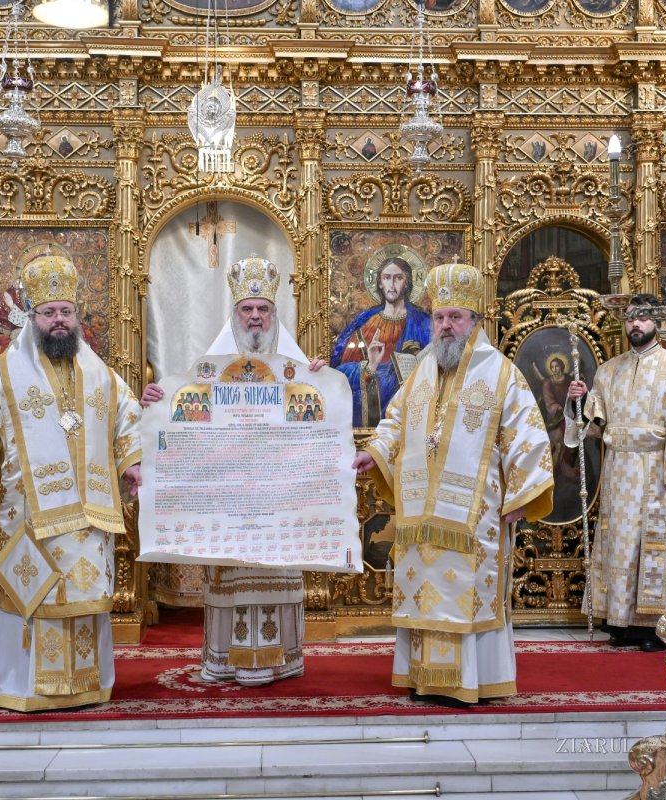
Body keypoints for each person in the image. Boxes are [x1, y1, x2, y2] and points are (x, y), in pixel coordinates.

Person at [0, 252, 161, 711]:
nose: (59, 320)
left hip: (88, 518)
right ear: (31, 318)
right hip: (25, 519)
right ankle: (22, 688)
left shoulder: (102, 375)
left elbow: (128, 423)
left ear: (77, 316)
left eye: (66, 312)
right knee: (29, 600)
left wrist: (133, 462)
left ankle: (84, 687)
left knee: (81, 602)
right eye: (50, 312)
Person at [353, 262, 554, 707]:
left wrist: (523, 493)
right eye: (440, 317)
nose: (445, 326)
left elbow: (529, 435)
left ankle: (471, 682)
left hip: (475, 518)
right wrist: (377, 451)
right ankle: (423, 678)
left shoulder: (502, 374)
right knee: (425, 590)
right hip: (421, 515)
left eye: (455, 318)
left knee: (466, 591)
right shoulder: (423, 371)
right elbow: (396, 420)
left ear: (475, 322)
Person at [195, 256, 327, 686]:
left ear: (274, 314)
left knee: (273, 570)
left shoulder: (295, 365)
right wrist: (161, 402)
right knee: (231, 571)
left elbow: (315, 430)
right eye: (247, 309)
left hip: (278, 498)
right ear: (234, 314)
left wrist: (323, 389)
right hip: (229, 496)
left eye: (263, 309)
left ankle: (278, 658)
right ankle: (224, 660)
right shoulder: (209, 370)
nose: (255, 317)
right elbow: (187, 426)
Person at [565, 294, 666, 652]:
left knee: (652, 546)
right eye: (631, 317)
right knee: (620, 543)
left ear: (657, 322)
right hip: (619, 469)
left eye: (644, 317)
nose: (636, 324)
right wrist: (576, 400)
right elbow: (594, 423)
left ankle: (652, 626)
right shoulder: (609, 369)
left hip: (657, 470)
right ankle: (618, 622)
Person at [332, 256, 432, 427]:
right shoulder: (365, 323)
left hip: (414, 413)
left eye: (398, 277)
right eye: (386, 278)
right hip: (373, 416)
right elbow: (339, 375)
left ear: (407, 282)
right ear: (379, 283)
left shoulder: (424, 323)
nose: (392, 284)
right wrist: (370, 367)